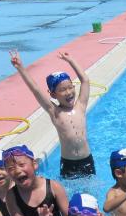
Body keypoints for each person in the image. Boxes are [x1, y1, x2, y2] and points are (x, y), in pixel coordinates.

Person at [9, 49, 95, 177]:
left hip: (86, 159)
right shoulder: (55, 112)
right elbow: (35, 89)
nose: (68, 92)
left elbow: (85, 80)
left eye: (70, 87)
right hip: (68, 163)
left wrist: (70, 60)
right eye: (62, 90)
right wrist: (20, 68)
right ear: (53, 94)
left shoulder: (81, 106)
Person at [3, 145, 70, 216]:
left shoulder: (54, 187)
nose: (17, 170)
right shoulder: (11, 196)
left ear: (34, 164)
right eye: (11, 168)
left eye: (21, 165)